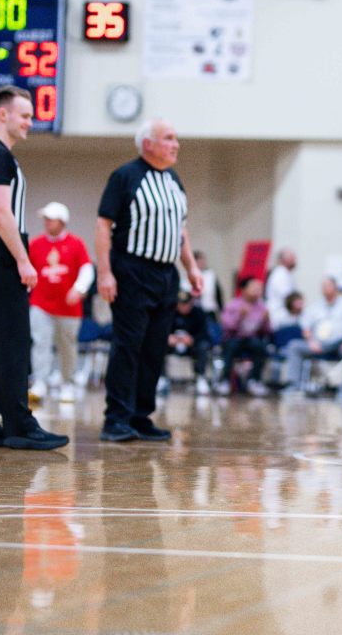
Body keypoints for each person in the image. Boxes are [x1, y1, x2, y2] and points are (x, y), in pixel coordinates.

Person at [0, 87, 68, 450]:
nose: (30, 122)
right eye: (25, 115)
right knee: (11, 340)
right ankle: (18, 424)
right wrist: (23, 259)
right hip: (0, 252)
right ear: (3, 115)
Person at [96, 119, 203, 442]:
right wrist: (105, 272)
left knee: (154, 349)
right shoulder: (125, 176)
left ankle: (141, 416)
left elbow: (180, 230)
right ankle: (115, 418)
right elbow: (103, 225)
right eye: (168, 138)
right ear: (148, 145)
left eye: (176, 138)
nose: (176, 144)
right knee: (128, 346)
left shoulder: (173, 179)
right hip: (131, 269)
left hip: (166, 274)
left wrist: (191, 268)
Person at [27, 202, 93, 404]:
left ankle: (67, 383)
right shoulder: (36, 244)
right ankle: (40, 382)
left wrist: (79, 289)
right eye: (45, 218)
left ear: (62, 221)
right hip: (40, 303)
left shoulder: (76, 244)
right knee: (40, 343)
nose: (47, 222)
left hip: (68, 307)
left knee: (67, 346)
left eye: (51, 218)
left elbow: (87, 269)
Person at [284, 276, 342, 390]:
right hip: (319, 345)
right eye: (323, 286)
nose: (325, 288)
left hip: (341, 344)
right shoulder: (315, 306)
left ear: (336, 287)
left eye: (327, 286)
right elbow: (306, 327)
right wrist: (311, 341)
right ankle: (292, 385)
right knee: (294, 346)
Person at [219, 276, 272, 396]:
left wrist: (266, 320)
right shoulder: (233, 305)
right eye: (254, 287)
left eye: (259, 288)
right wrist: (240, 316)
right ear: (243, 289)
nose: (258, 290)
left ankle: (254, 381)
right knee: (231, 346)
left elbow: (267, 331)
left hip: (252, 339)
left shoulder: (261, 307)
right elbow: (227, 327)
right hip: (234, 338)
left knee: (260, 347)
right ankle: (225, 381)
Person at [168, 290, 212, 395]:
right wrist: (168, 337)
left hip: (191, 346)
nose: (184, 307)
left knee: (203, 346)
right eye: (181, 304)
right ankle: (160, 378)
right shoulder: (169, 313)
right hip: (172, 345)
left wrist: (192, 339)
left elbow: (204, 333)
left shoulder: (199, 313)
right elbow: (159, 330)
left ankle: (200, 377)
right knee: (157, 346)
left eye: (186, 304)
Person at [265, 247, 298, 331]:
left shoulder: (286, 274)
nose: (295, 259)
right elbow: (288, 297)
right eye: (291, 257)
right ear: (282, 260)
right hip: (280, 317)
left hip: (283, 317)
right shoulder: (280, 274)